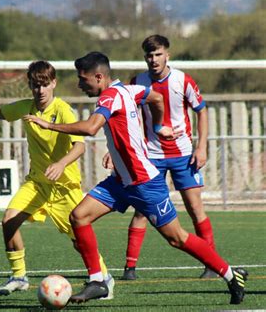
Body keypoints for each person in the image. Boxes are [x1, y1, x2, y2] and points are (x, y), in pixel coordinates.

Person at [24, 52, 247, 305]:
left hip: (144, 183)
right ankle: (97, 281)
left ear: (99, 77)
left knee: (177, 238)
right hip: (120, 181)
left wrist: (49, 125)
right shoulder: (128, 90)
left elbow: (90, 128)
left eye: (82, 79)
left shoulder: (109, 96)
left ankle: (231, 274)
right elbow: (156, 97)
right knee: (78, 216)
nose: (79, 84)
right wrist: (158, 125)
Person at [0, 61, 115, 298]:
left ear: (53, 83)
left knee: (78, 240)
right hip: (37, 183)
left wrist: (61, 164)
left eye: (44, 85)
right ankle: (19, 276)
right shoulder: (26, 108)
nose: (40, 91)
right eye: (35, 85)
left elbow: (79, 147)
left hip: (63, 188)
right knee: (9, 220)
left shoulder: (63, 110)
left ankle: (104, 279)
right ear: (30, 85)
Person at [117, 34, 217, 281]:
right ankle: (130, 269)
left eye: (158, 54)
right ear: (145, 58)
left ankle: (212, 264)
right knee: (142, 210)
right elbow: (126, 118)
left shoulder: (182, 80)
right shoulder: (137, 82)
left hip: (183, 155)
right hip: (151, 156)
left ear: (167, 55)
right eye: (149, 55)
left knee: (195, 208)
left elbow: (202, 112)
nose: (154, 59)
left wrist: (201, 147)